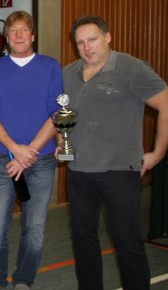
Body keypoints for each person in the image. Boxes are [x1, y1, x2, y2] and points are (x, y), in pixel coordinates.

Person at [63, 15, 168, 290]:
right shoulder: (68, 73)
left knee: (127, 242)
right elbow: (63, 116)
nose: (87, 47)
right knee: (83, 239)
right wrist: (60, 143)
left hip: (119, 172)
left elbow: (166, 104)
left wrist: (157, 153)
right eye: (80, 42)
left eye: (92, 39)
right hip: (79, 172)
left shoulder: (132, 69)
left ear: (108, 37)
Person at [0, 11, 62, 290]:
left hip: (41, 161)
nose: (18, 35)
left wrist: (30, 152)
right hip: (4, 160)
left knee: (35, 228)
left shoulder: (50, 67)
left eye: (23, 30)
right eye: (13, 31)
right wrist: (15, 149)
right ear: (6, 38)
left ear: (33, 35)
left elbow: (56, 113)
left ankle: (24, 279)